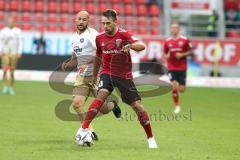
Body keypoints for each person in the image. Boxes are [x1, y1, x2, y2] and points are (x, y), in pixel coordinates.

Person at [77, 9, 158, 149]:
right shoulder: (100, 38)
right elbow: (98, 57)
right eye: (103, 23)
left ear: (115, 22)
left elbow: (142, 46)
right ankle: (84, 129)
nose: (105, 26)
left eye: (108, 23)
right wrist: (95, 75)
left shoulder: (124, 35)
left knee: (137, 107)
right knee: (100, 97)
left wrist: (131, 45)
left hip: (124, 76)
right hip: (107, 73)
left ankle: (150, 137)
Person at [60, 11, 121, 142]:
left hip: (96, 75)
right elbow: (76, 58)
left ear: (88, 21)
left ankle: (113, 105)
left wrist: (86, 63)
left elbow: (100, 54)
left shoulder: (93, 35)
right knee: (77, 104)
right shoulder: (72, 38)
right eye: (79, 19)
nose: (81, 22)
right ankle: (89, 131)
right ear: (75, 20)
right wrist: (68, 64)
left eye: (84, 20)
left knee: (104, 108)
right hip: (82, 77)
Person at [163, 22, 193, 114]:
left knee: (182, 89)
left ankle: (182, 86)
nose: (173, 29)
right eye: (172, 28)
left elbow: (191, 51)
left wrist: (182, 54)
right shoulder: (167, 41)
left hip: (182, 67)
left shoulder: (185, 40)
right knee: (174, 86)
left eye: (175, 28)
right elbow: (165, 53)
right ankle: (177, 106)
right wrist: (167, 56)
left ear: (178, 29)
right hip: (171, 67)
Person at [0, 17, 22, 95]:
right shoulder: (3, 31)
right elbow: (1, 42)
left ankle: (11, 87)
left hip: (14, 54)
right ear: (7, 22)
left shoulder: (18, 31)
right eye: (9, 22)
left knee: (12, 72)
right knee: (5, 70)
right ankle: (5, 86)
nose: (10, 23)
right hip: (5, 53)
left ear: (14, 23)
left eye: (12, 22)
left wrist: (19, 52)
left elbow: (20, 42)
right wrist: (0, 51)